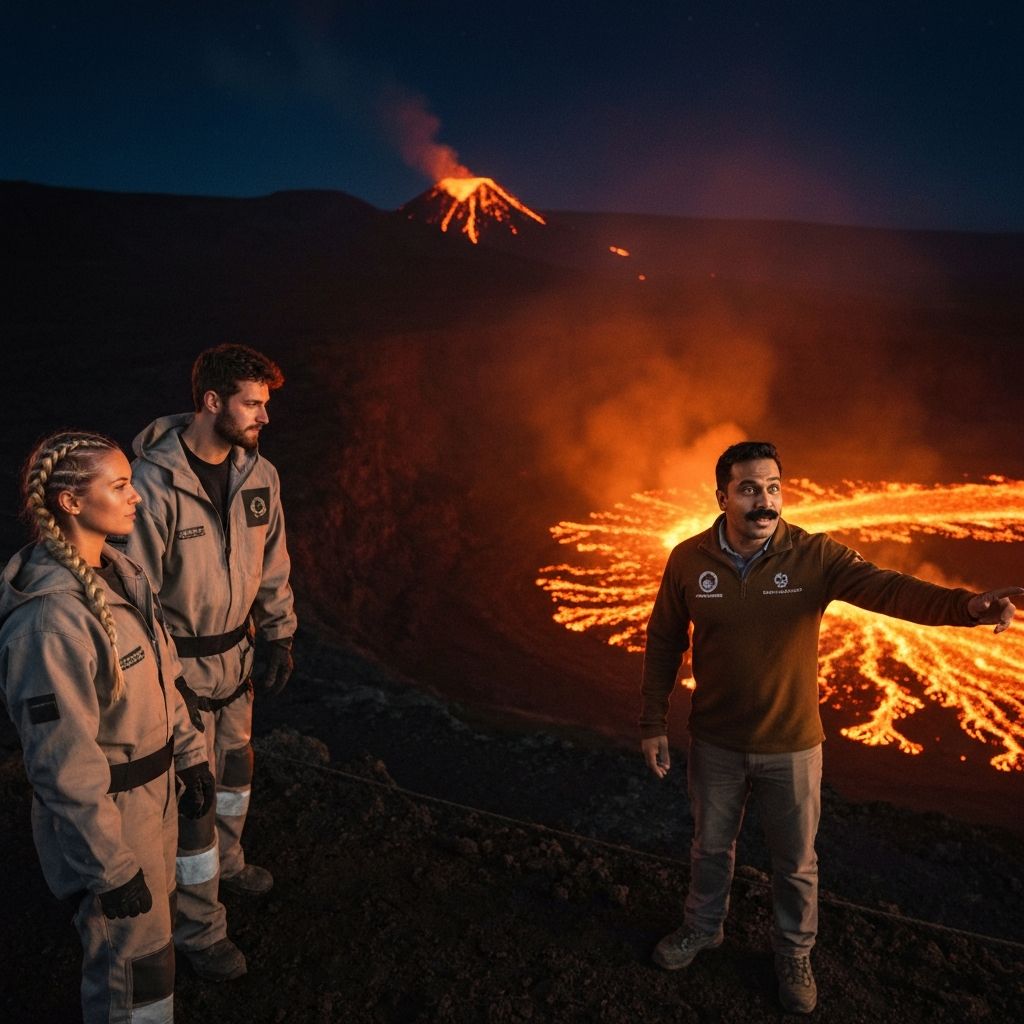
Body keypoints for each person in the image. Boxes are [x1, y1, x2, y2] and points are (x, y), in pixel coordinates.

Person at [639, 440, 1020, 1015]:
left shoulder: (814, 556)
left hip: (792, 746)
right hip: (715, 741)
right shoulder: (688, 560)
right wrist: (652, 721)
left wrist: (964, 608)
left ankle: (794, 954)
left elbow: (890, 588)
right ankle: (702, 928)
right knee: (710, 847)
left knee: (796, 864)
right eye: (748, 489)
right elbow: (664, 640)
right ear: (721, 497)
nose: (764, 501)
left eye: (773, 487)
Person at [0, 431, 214, 1024]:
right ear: (71, 502)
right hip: (113, 821)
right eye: (119, 486)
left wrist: (191, 755)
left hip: (154, 799)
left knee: (154, 949)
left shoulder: (121, 574)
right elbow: (61, 765)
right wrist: (110, 867)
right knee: (132, 965)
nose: (136, 496)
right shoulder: (50, 623)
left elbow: (164, 678)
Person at [119, 344, 297, 983]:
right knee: (192, 801)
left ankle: (230, 863)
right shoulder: (152, 485)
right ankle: (200, 929)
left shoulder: (260, 475)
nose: (264, 417)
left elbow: (272, 562)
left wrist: (279, 633)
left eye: (266, 404)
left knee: (234, 771)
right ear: (212, 402)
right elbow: (135, 598)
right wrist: (164, 685)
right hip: (181, 672)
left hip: (238, 661)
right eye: (253, 404)